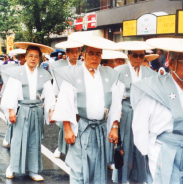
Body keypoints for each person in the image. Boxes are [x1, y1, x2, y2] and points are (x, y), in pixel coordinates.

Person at [52, 33, 124, 184]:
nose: (94, 57)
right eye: (91, 53)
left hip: (100, 129)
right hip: (80, 128)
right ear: (83, 55)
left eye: (98, 54)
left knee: (98, 168)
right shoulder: (72, 74)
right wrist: (67, 129)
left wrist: (114, 127)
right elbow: (65, 103)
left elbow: (116, 104)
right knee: (78, 169)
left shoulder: (109, 75)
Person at [131, 38, 183, 183]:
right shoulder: (154, 89)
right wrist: (150, 153)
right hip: (163, 151)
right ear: (171, 64)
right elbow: (140, 126)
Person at [1, 43, 55, 181]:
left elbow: (49, 95)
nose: (33, 59)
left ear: (40, 59)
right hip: (22, 110)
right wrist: (11, 110)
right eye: (30, 56)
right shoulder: (17, 73)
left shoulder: (44, 74)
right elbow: (11, 93)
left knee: (34, 141)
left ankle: (33, 169)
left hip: (37, 110)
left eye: (36, 57)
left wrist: (51, 111)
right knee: (17, 140)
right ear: (25, 57)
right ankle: (12, 167)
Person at [113, 41, 157, 183]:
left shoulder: (149, 73)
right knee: (126, 146)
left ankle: (141, 178)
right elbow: (115, 96)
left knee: (142, 146)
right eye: (135, 55)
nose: (138, 59)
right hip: (126, 111)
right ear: (129, 56)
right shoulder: (119, 71)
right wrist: (116, 120)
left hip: (143, 113)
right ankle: (123, 178)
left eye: (141, 56)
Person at [49, 41, 82, 159]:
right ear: (67, 53)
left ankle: (75, 148)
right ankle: (60, 147)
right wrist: (54, 102)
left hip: (78, 96)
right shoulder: (58, 65)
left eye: (77, 52)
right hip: (63, 95)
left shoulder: (82, 64)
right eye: (72, 52)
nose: (75, 54)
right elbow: (55, 83)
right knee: (63, 123)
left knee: (76, 123)